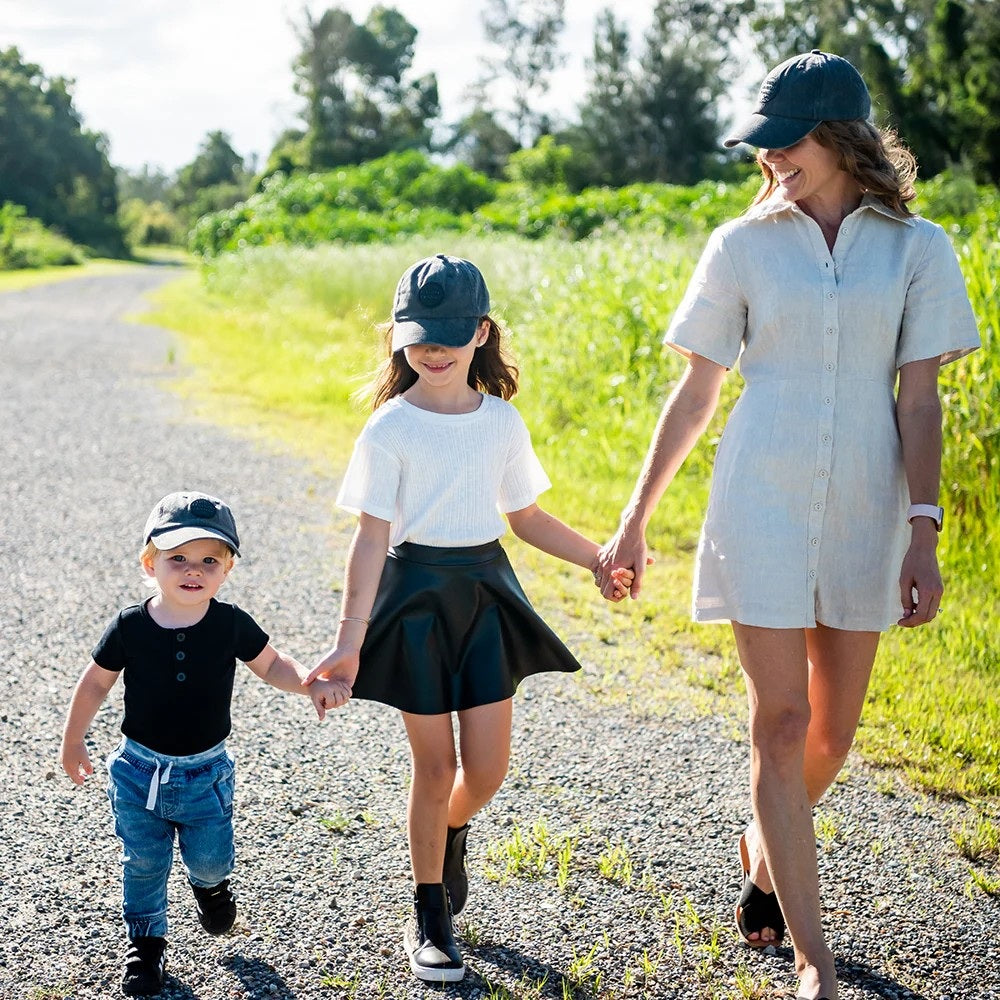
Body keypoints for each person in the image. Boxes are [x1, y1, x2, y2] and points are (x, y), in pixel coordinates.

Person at [596, 50, 979, 1000]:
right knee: (782, 722)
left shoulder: (918, 249)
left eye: (786, 142)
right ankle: (816, 961)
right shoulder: (740, 245)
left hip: (869, 508)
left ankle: (764, 848)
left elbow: (920, 402)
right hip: (756, 500)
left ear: (842, 139)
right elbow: (696, 393)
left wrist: (924, 530)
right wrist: (637, 517)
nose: (770, 161)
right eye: (761, 147)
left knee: (833, 738)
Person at [304, 254, 632, 984]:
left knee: (484, 771)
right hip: (414, 598)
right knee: (435, 765)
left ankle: (450, 830)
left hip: (485, 594)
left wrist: (596, 558)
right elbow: (369, 540)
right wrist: (347, 644)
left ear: (482, 332)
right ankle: (429, 916)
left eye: (453, 334)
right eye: (421, 335)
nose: (436, 349)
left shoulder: (501, 422)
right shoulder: (388, 429)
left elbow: (527, 517)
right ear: (398, 337)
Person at [60, 491, 350, 996]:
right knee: (144, 862)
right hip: (137, 772)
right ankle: (145, 946)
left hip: (205, 773)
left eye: (208, 560)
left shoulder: (229, 624)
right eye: (178, 558)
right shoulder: (130, 626)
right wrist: (73, 740)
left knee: (210, 857)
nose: (193, 570)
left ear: (227, 569)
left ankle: (211, 886)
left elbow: (274, 665)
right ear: (150, 563)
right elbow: (94, 683)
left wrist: (311, 683)